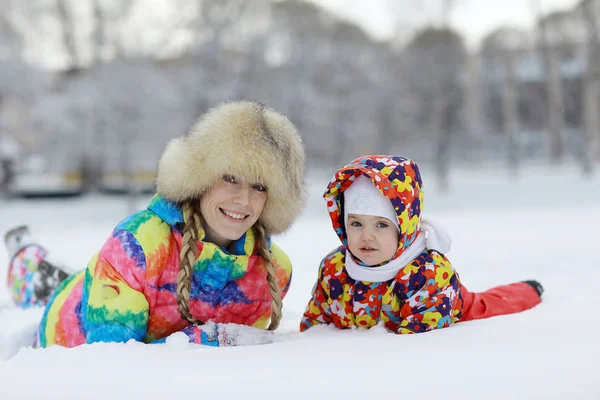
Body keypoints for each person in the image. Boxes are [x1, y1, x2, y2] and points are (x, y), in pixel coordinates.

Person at [4, 100, 307, 347]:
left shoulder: (273, 273)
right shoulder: (137, 245)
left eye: (260, 187)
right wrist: (204, 341)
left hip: (101, 280)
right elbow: (109, 359)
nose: (243, 199)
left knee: (71, 276)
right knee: (40, 282)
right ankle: (23, 251)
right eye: (230, 178)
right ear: (200, 179)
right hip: (66, 325)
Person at [300, 155, 543, 334]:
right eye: (356, 224)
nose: (367, 236)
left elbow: (419, 346)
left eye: (381, 225)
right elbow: (316, 320)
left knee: (489, 304)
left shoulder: (426, 275)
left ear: (404, 227)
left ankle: (529, 290)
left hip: (453, 310)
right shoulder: (335, 268)